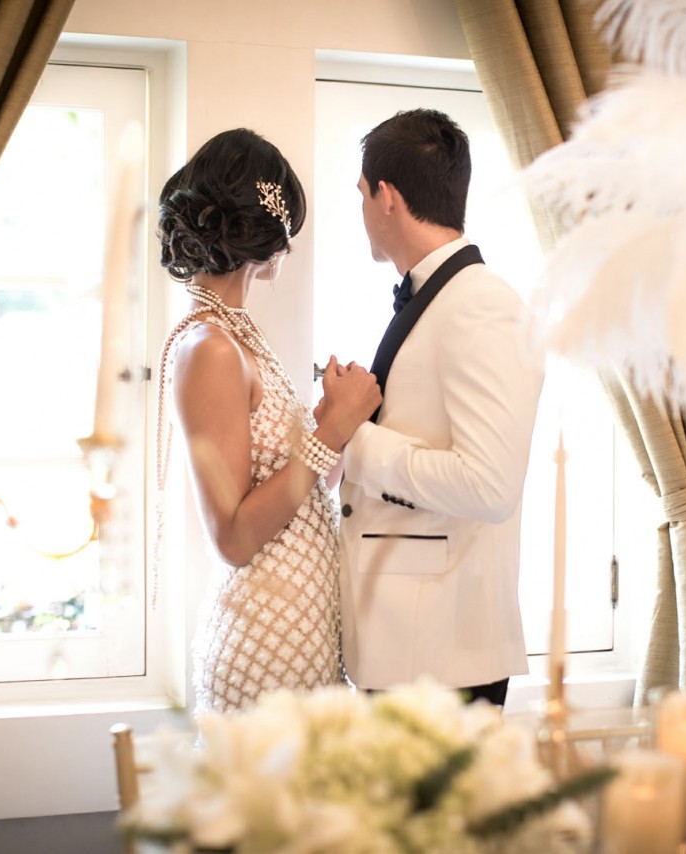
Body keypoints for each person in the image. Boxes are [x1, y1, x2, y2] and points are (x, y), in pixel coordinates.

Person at [156, 128, 381, 715]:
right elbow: (234, 538)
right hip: (265, 646)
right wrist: (329, 432)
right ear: (267, 230)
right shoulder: (209, 347)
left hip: (303, 631)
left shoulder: (239, 336)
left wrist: (332, 424)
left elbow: (298, 497)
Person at [336, 109, 545, 707]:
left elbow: (489, 486)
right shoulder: (444, 297)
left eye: (361, 194)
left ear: (387, 197)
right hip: (409, 640)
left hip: (442, 650)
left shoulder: (483, 306)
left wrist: (355, 438)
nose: (362, 209)